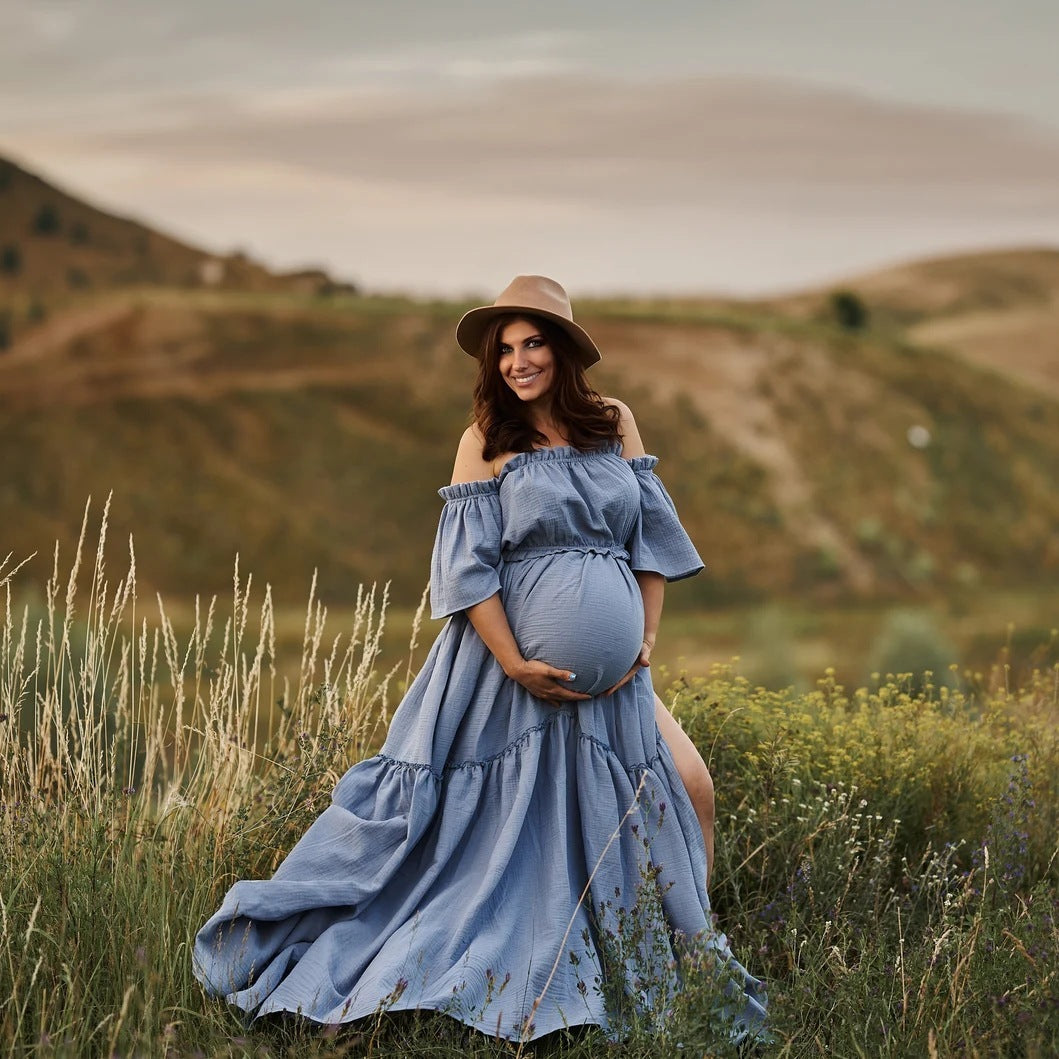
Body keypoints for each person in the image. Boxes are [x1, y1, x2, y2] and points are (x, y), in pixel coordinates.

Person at [194, 275, 767, 1044]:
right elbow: (466, 571)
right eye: (504, 349)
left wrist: (644, 637)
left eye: (532, 342)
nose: (517, 361)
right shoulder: (485, 441)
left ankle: (680, 953)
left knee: (683, 786)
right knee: (504, 835)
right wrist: (516, 661)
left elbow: (650, 540)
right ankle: (501, 971)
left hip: (619, 678)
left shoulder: (612, 422)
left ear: (562, 350)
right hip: (506, 673)